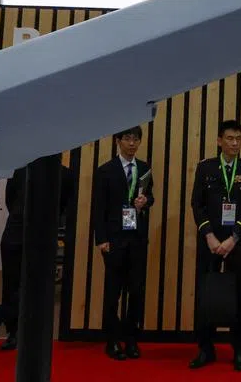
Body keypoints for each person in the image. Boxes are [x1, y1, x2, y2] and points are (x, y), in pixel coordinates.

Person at [189, 119, 241, 372]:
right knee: (206, 295)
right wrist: (209, 235)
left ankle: (239, 350)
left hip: (236, 242)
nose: (234, 143)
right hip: (209, 241)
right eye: (229, 138)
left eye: (238, 138)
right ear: (219, 140)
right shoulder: (206, 168)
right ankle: (205, 349)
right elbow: (197, 204)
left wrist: (233, 238)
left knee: (240, 296)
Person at [0, 160, 76, 350]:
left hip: (41, 239)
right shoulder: (19, 169)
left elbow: (65, 208)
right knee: (12, 286)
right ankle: (14, 333)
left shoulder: (66, 175)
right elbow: (10, 200)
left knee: (33, 288)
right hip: (14, 236)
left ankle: (0, 315)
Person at [92, 127, 155, 360]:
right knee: (112, 292)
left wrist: (145, 201)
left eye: (135, 139)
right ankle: (112, 340)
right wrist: (102, 239)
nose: (132, 143)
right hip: (114, 239)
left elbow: (152, 197)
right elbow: (98, 208)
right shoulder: (105, 171)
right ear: (118, 141)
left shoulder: (145, 168)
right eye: (127, 139)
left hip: (137, 238)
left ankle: (131, 339)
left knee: (137, 292)